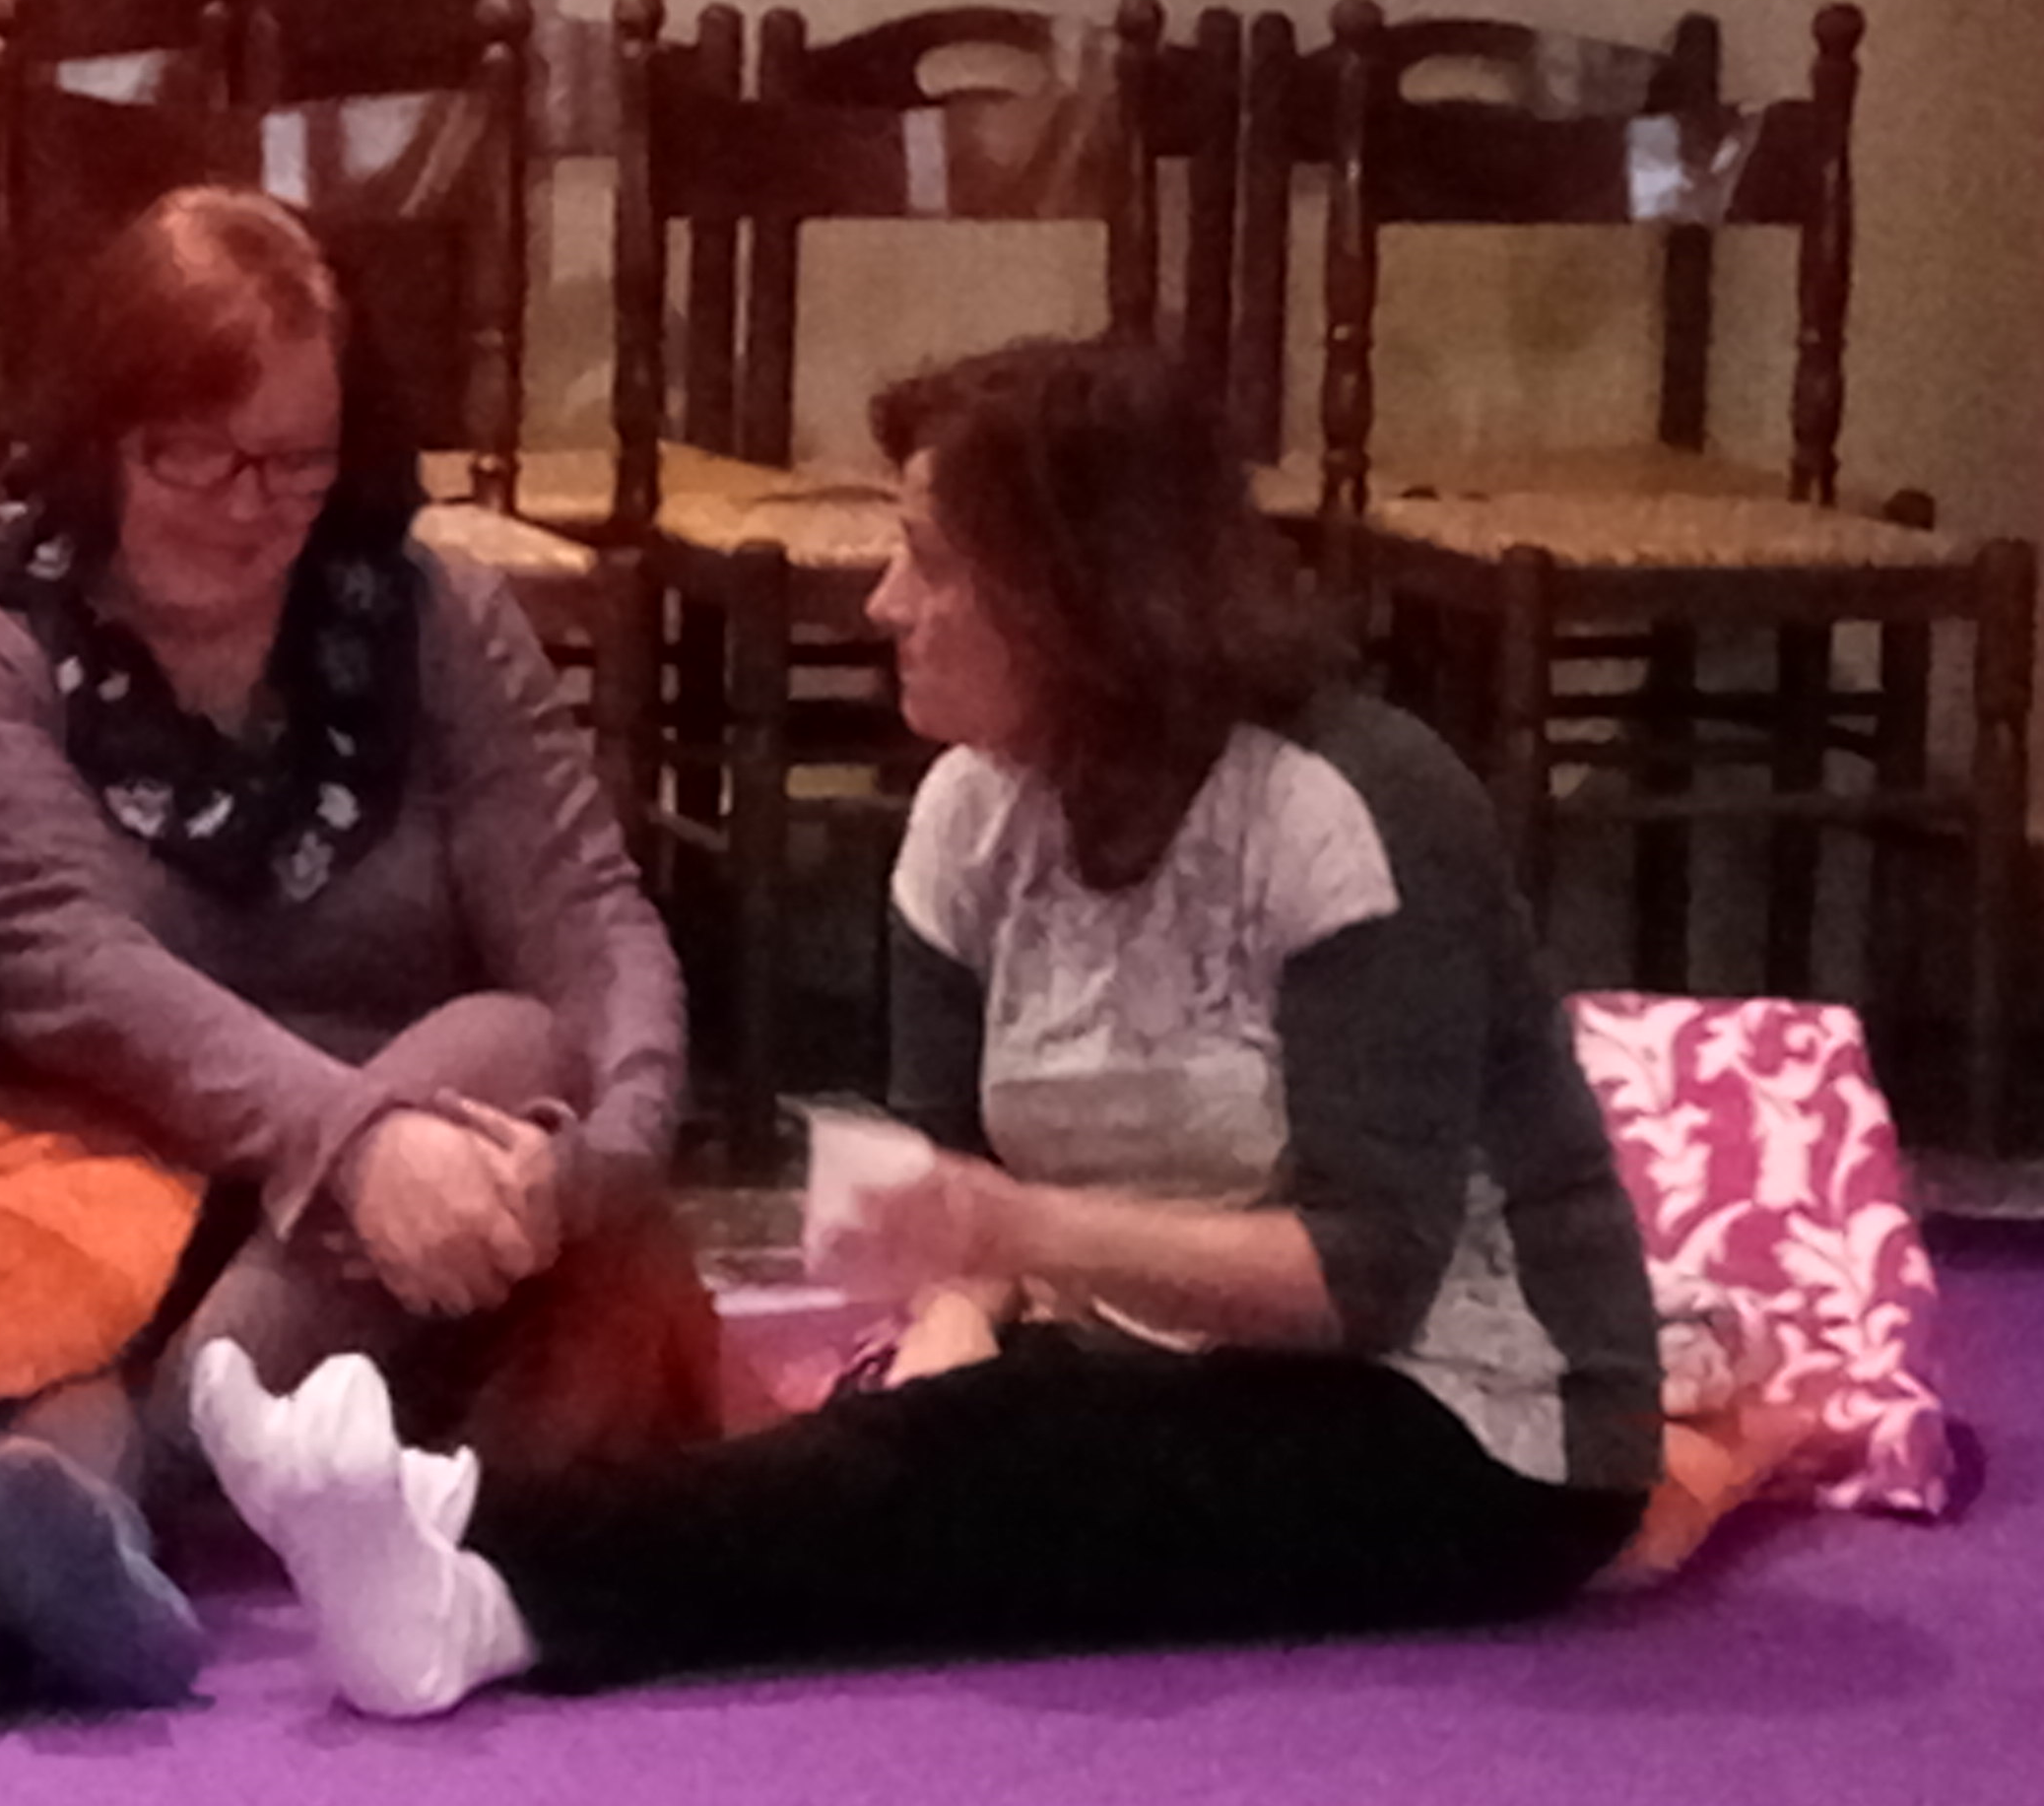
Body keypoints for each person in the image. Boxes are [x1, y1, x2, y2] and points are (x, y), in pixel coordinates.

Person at [188, 335, 1665, 1717]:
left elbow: (1365, 1279)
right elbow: (953, 1203)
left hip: (1474, 1427)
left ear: (1082, 595)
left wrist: (1015, 1239)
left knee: (1032, 1452)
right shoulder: (967, 816)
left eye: (932, 562)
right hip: (1153, 1370)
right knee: (951, 1456)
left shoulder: (1348, 805)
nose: (885, 603)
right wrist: (941, 1353)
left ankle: (473, 1554)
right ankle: (469, 1582)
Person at [0, 185, 706, 1656]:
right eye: (195, 454)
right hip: (85, 1136)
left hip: (413, 1212)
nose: (248, 505)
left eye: (298, 464)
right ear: (101, 434)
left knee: (513, 1047)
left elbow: (587, 914)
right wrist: (354, 1143)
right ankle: (132, 1496)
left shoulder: (439, 619)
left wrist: (599, 1159)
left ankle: (181, 1457)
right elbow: (66, 969)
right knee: (58, 1271)